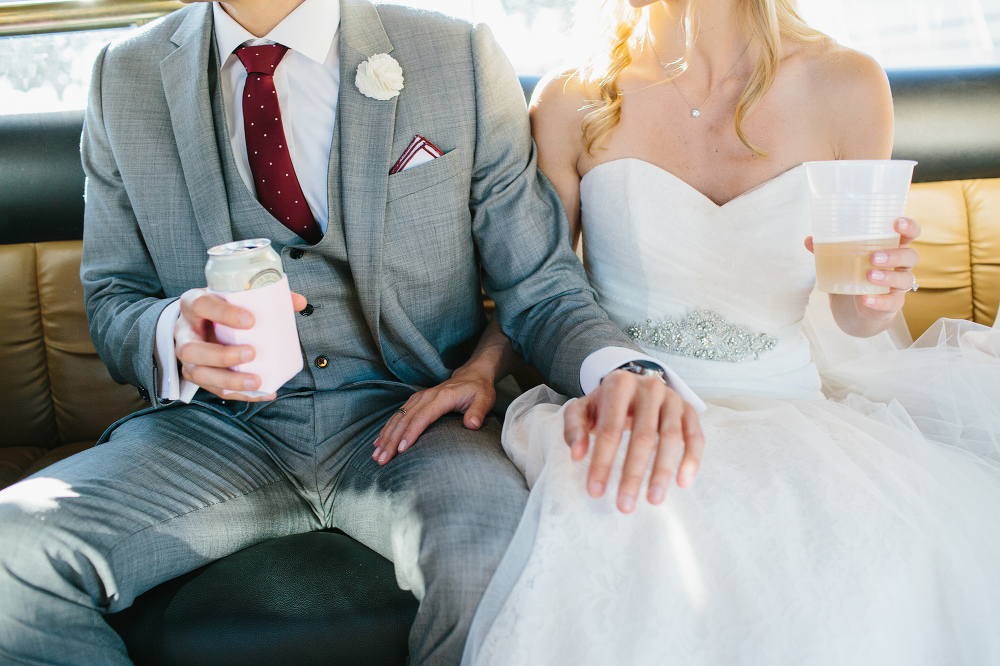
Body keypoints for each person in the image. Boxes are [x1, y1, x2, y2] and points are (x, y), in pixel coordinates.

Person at [0, 0, 711, 663]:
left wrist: (624, 371)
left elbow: (541, 286)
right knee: (10, 554)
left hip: (414, 420)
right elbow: (113, 295)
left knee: (500, 561)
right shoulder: (122, 75)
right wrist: (168, 334)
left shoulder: (455, 55)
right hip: (212, 433)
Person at [378, 0, 1000, 663]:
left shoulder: (848, 85)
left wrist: (880, 293)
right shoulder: (573, 97)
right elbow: (538, 285)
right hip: (630, 411)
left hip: (794, 414)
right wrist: (480, 368)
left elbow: (855, 310)